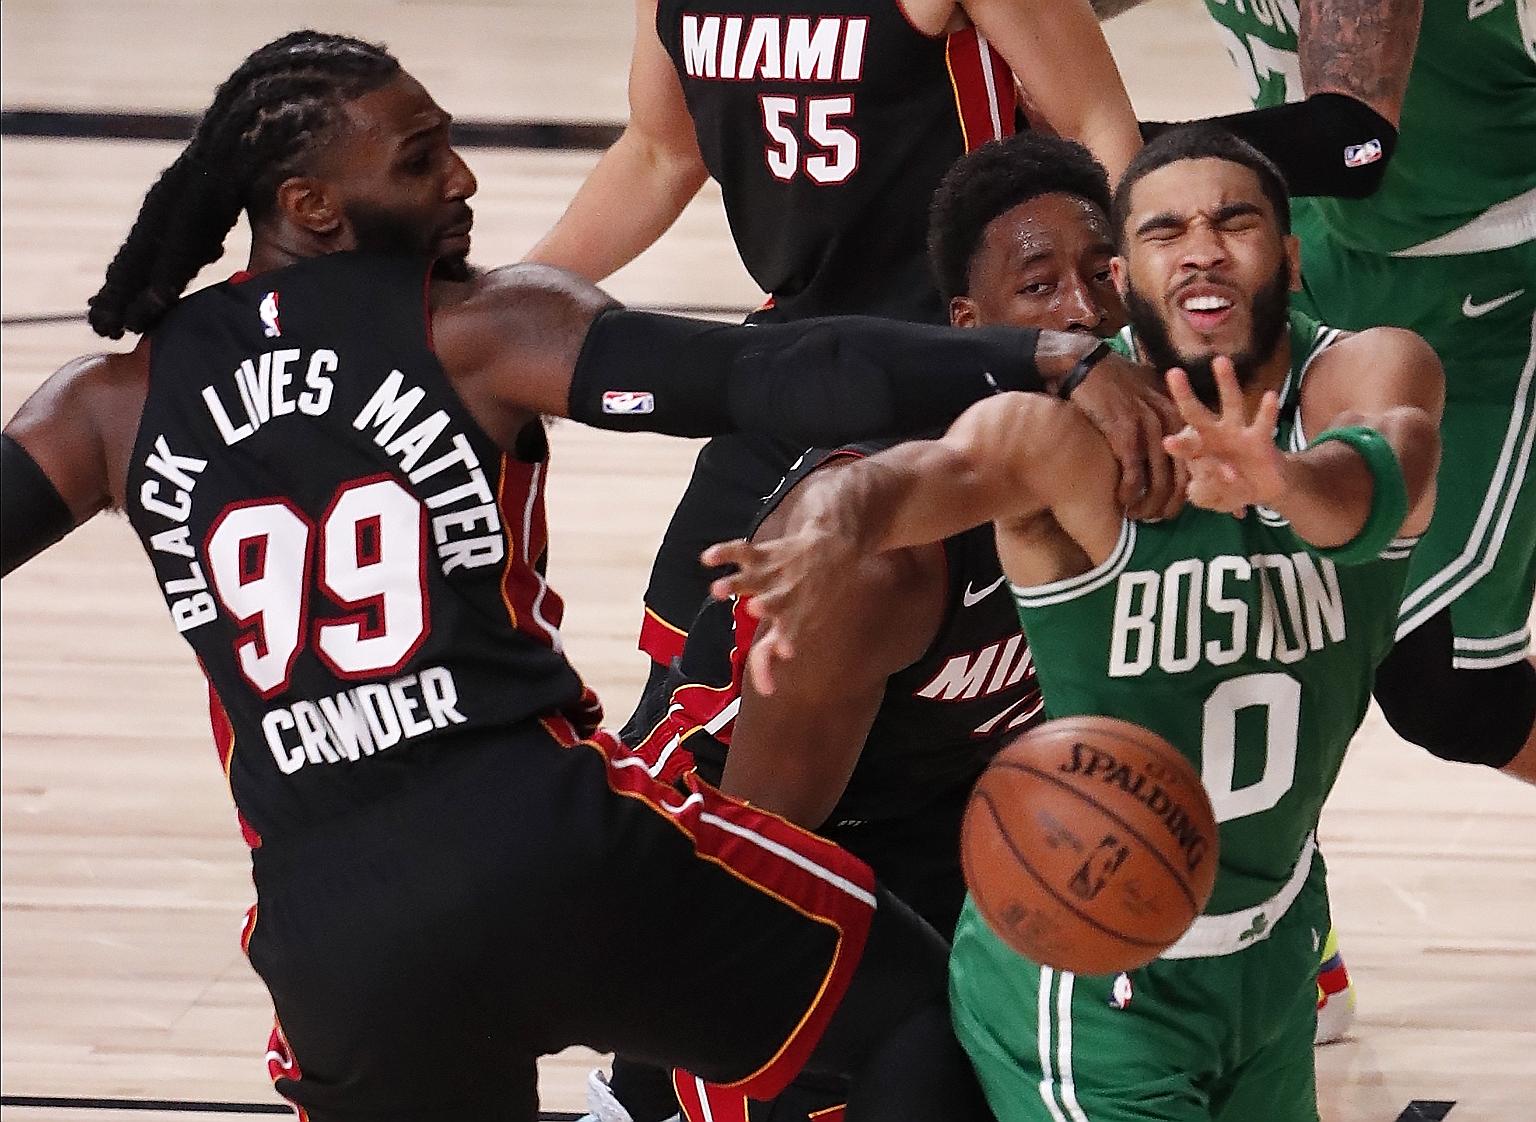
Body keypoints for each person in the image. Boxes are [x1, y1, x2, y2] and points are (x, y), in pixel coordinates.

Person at [0, 31, 1181, 1122]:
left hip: (336, 929)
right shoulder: (482, 328)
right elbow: (779, 371)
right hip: (554, 850)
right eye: (421, 163)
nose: (462, 181)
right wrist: (1038, 356)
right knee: (927, 1019)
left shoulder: (107, 407)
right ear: (310, 206)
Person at [706, 127, 1443, 1122]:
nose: (1201, 249)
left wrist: (1278, 480)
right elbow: (921, 476)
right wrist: (831, 525)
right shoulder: (1057, 434)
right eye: (1165, 231)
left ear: (1294, 253)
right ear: (1137, 279)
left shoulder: (1370, 372)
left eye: (1235, 222)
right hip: (1092, 978)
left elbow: (1390, 469)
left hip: (1269, 953)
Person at [591, 132, 1143, 1122]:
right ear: (974, 329)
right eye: (1041, 285)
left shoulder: (1145, 459)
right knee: (919, 1062)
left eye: (1103, 274)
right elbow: (757, 854)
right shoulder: (894, 570)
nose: (1083, 311)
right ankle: (642, 1095)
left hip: (935, 806)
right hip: (731, 833)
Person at [525, 0, 1164, 742]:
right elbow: (660, 153)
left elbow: (1098, 123)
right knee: (683, 693)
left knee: (949, 717)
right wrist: (494, 301)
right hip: (798, 356)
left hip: (970, 367)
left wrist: (1142, 339)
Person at [1095, 0, 1536, 1040]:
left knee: (1449, 692)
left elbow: (1351, 135)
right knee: (1244, 600)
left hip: (1489, 276)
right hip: (1308, 254)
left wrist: (1123, 163)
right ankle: (1296, 933)